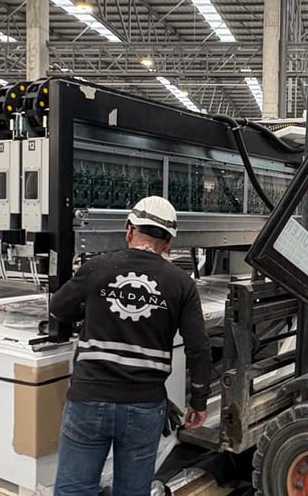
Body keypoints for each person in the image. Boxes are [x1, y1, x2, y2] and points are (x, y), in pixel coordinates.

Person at [49, 196, 213, 496]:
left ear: (129, 230)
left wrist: (93, 307)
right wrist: (199, 400)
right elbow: (199, 347)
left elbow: (58, 309)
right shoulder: (181, 284)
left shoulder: (97, 268)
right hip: (143, 405)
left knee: (74, 490)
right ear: (168, 243)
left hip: (89, 399)